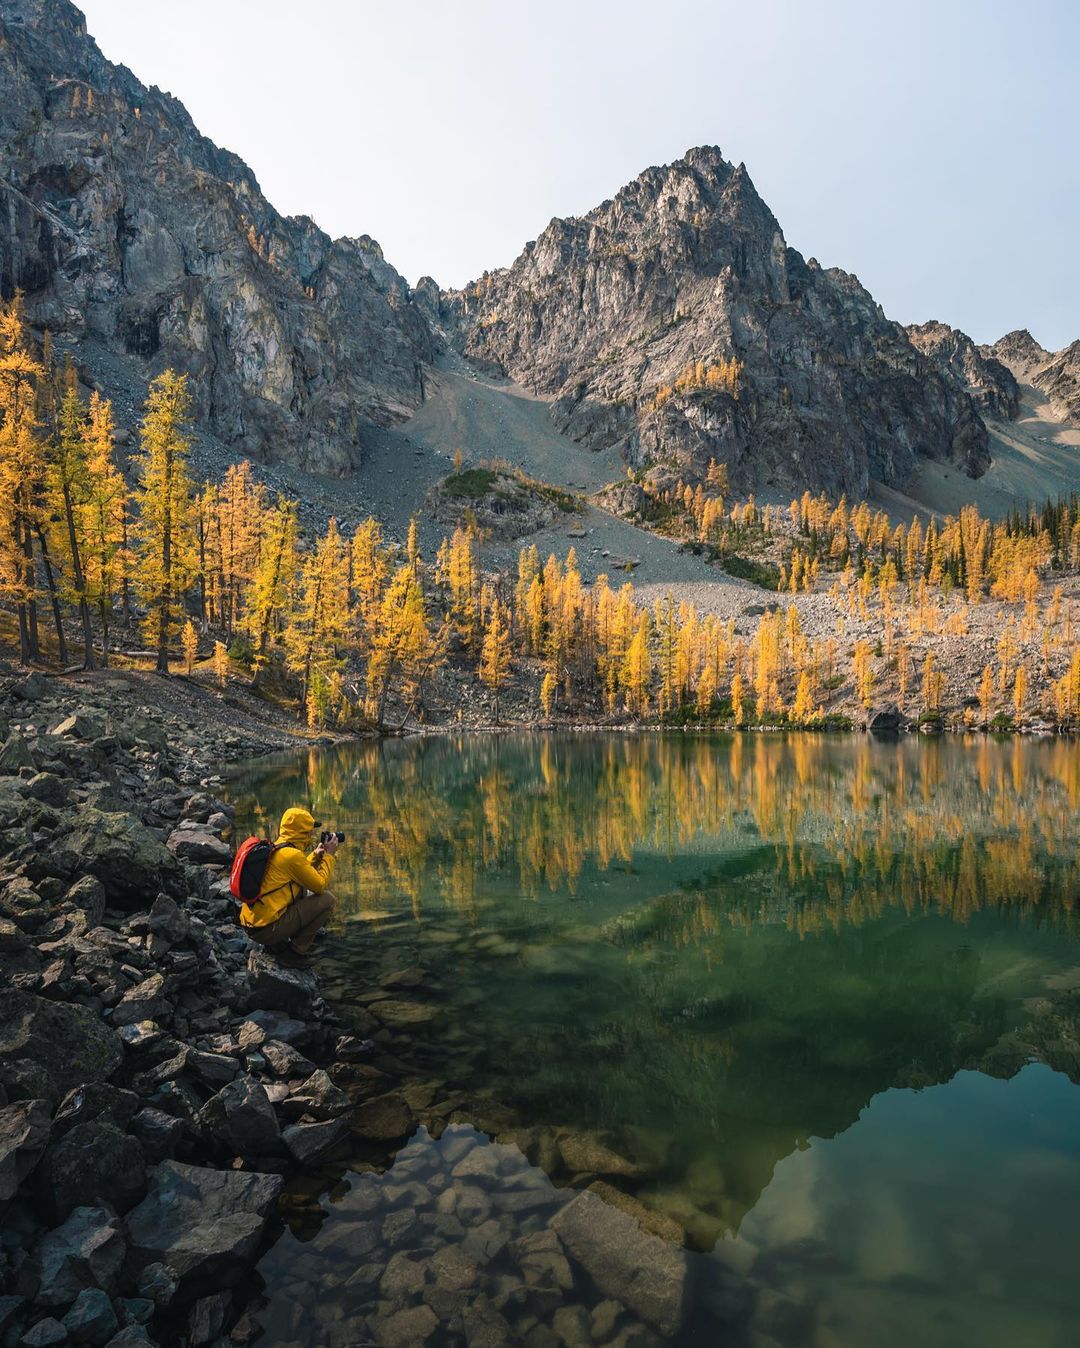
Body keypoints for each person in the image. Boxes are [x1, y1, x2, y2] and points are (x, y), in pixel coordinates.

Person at [239, 807, 340, 968]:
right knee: (327, 900)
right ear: (301, 833)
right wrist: (328, 856)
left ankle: (277, 945)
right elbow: (319, 885)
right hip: (266, 930)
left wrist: (315, 855)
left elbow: (296, 870)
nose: (311, 835)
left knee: (303, 891)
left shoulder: (276, 847)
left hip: (253, 924)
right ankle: (294, 953)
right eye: (308, 832)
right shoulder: (292, 856)